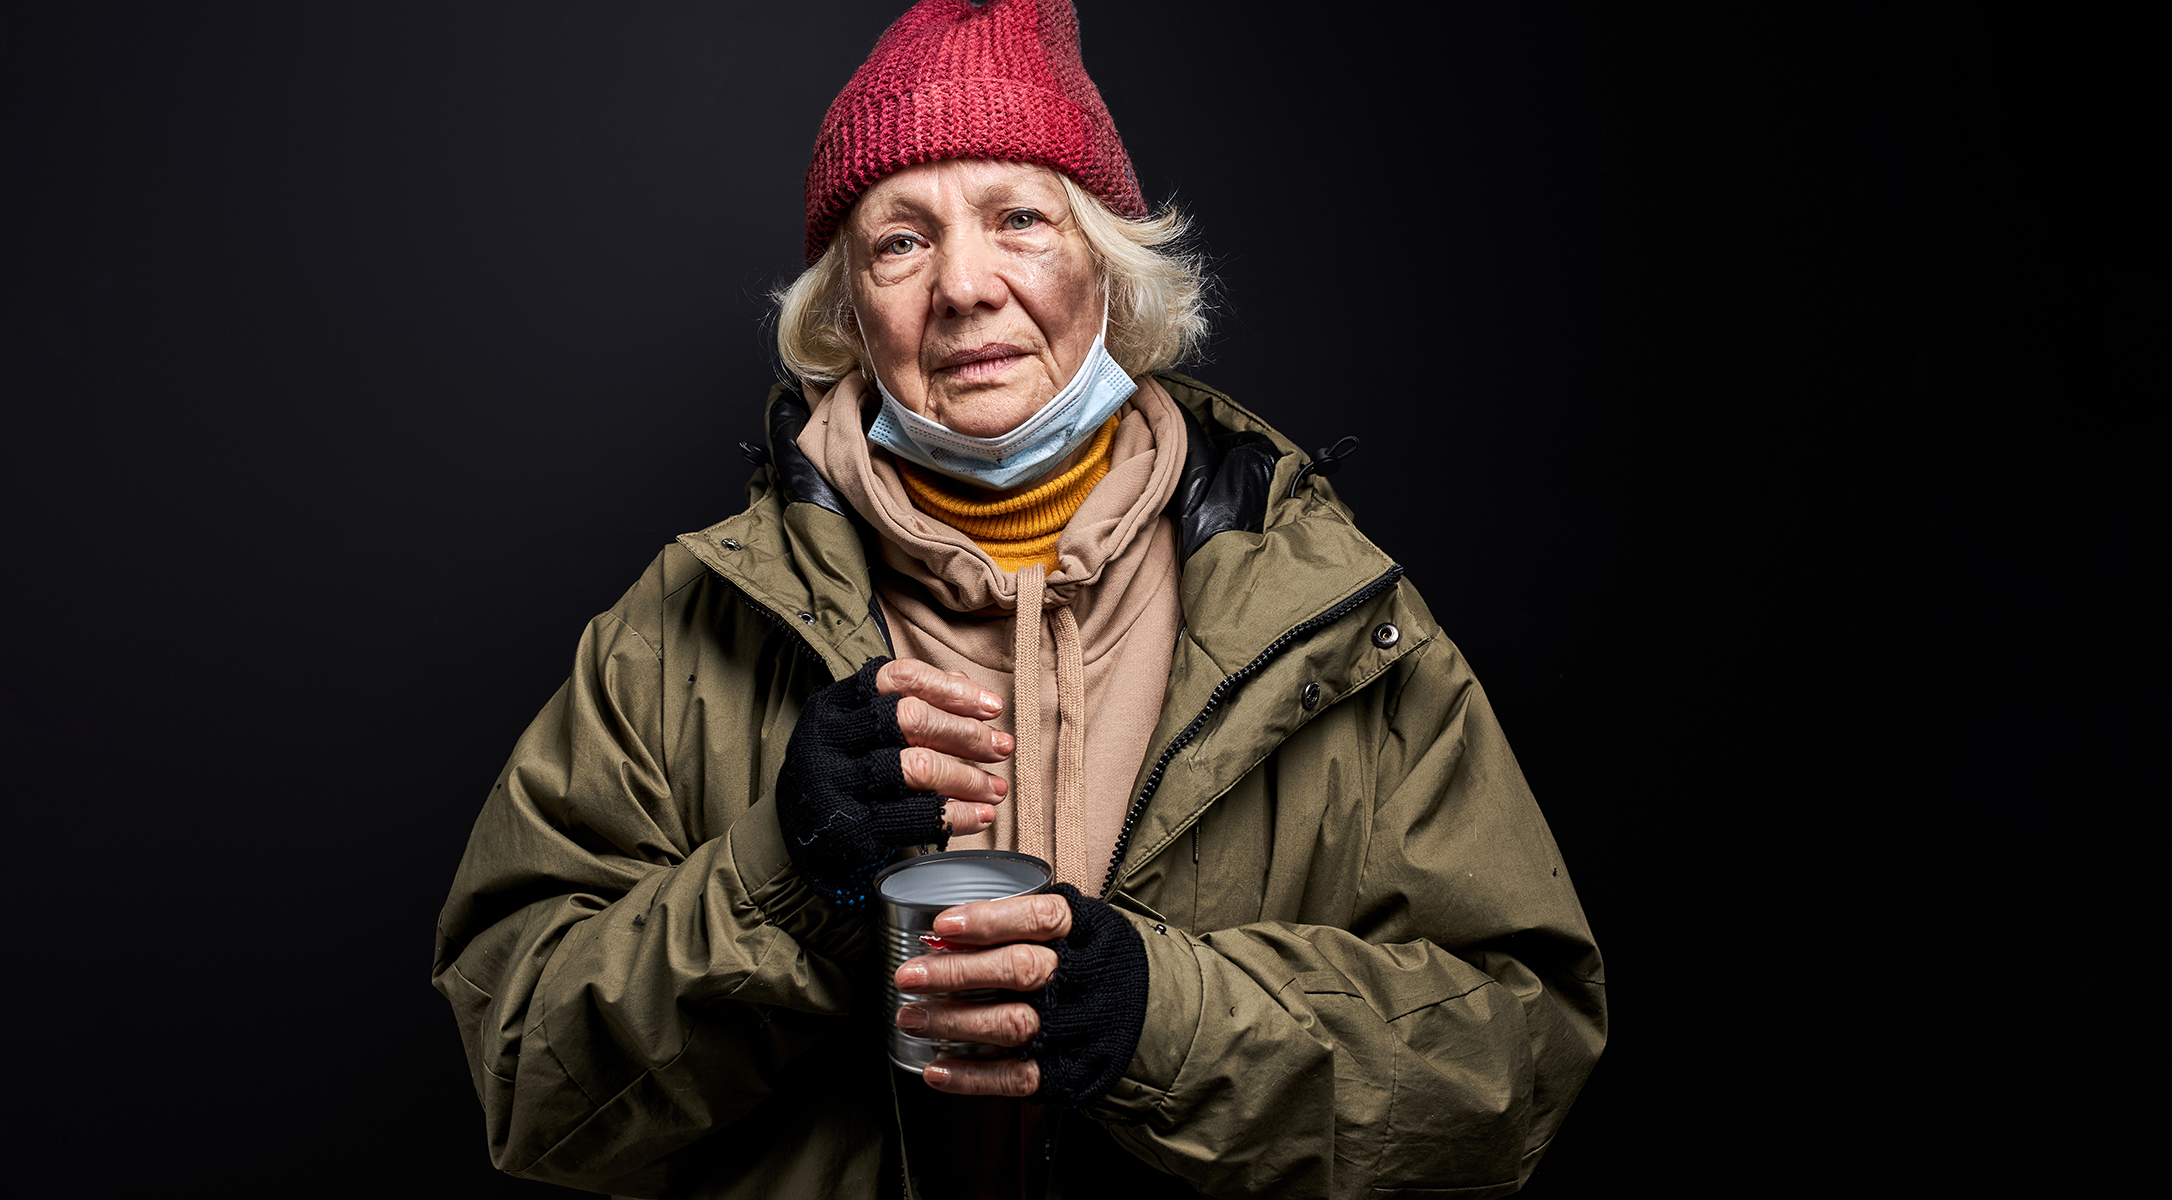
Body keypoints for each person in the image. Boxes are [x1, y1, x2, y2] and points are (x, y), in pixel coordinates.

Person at [431, 1, 1606, 1196]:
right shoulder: (684, 627)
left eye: (1020, 219)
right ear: (847, 311)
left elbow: (1520, 1056)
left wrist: (1166, 1022)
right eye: (900, 241)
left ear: (1109, 264)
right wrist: (781, 877)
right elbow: (530, 1079)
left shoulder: (1334, 622)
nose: (964, 286)